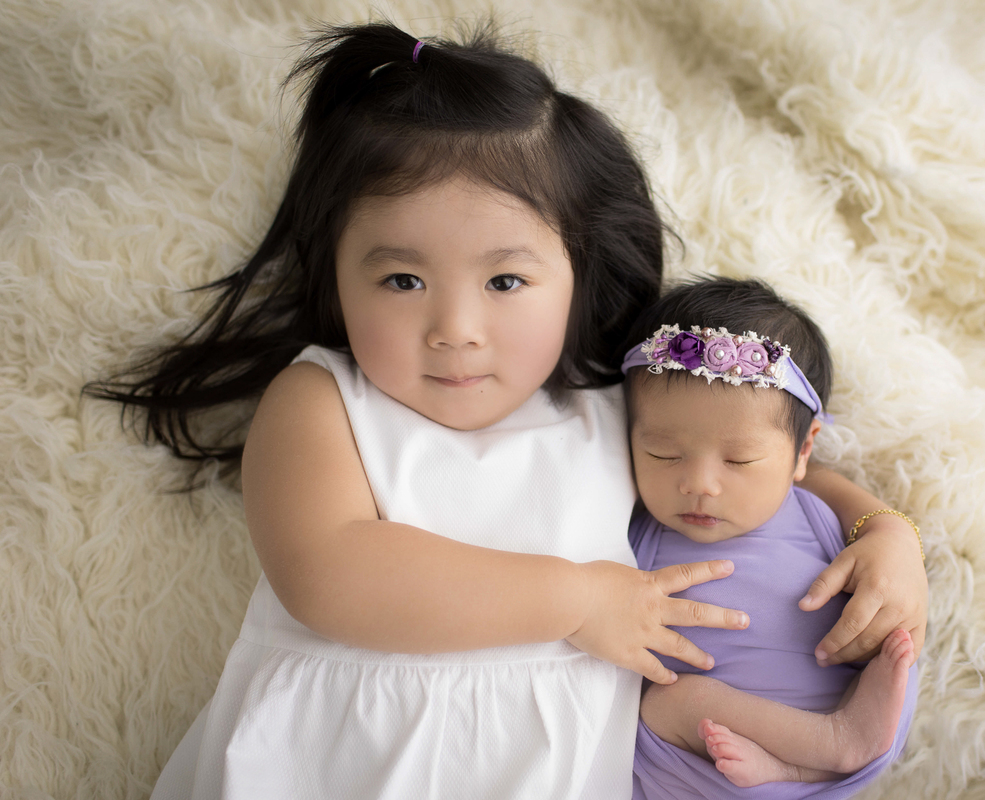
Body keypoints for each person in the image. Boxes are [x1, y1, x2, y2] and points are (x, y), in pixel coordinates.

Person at [82, 20, 928, 800]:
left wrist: (886, 533)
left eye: (505, 280)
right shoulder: (324, 399)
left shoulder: (607, 405)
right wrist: (575, 603)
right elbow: (328, 573)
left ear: (579, 276)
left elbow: (758, 453)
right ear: (335, 269)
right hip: (339, 763)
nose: (455, 330)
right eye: (402, 279)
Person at [621, 278, 921, 800]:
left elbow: (884, 598)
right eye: (663, 453)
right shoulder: (631, 531)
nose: (700, 484)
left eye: (738, 460)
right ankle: (822, 748)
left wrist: (892, 539)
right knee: (671, 704)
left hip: (843, 747)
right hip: (689, 766)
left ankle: (820, 755)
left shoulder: (824, 520)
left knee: (892, 648)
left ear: (804, 451)